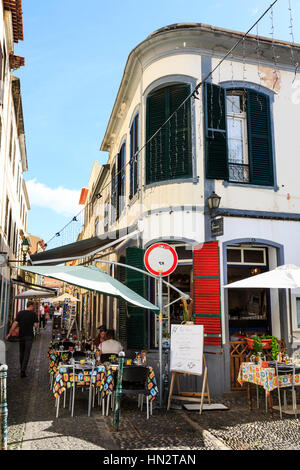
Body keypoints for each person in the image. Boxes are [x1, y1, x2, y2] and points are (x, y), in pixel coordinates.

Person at [5, 301, 39, 378]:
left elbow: (15, 323)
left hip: (22, 335)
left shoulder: (20, 313)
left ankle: (22, 368)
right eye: (33, 306)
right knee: (27, 353)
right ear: (31, 306)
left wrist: (9, 333)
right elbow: (36, 325)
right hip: (29, 336)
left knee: (22, 353)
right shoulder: (33, 314)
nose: (33, 307)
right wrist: (34, 322)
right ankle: (23, 370)